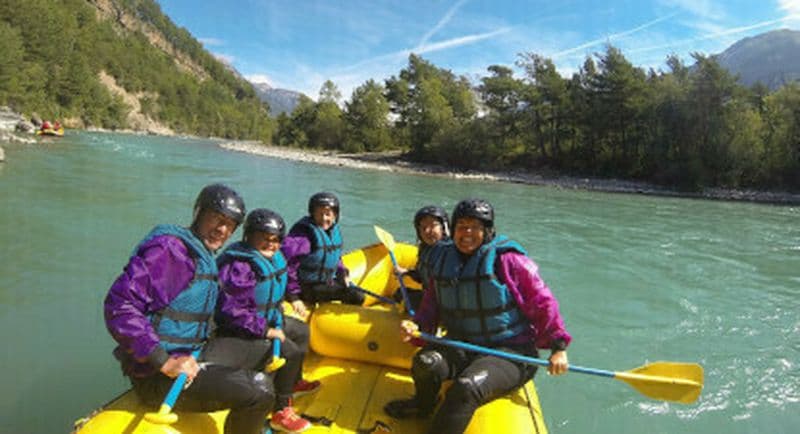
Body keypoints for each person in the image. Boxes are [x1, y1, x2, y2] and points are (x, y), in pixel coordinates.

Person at [384, 198, 572, 434]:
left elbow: (542, 301)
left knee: (467, 386)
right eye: (462, 226)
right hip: (463, 345)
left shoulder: (509, 260)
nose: (467, 233)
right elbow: (430, 308)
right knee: (425, 363)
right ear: (453, 230)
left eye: (475, 227)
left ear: (487, 230)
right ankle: (424, 406)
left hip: (510, 353)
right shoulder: (442, 261)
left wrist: (558, 346)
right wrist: (415, 326)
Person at [104, 184, 274, 434]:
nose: (222, 229)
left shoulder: (201, 254)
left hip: (193, 356)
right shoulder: (171, 251)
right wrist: (162, 361)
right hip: (160, 377)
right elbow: (120, 304)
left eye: (230, 224)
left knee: (265, 349)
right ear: (198, 213)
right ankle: (250, 407)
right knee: (260, 391)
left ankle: (254, 420)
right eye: (216, 218)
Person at [208, 208, 318, 433]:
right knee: (291, 351)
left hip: (266, 319)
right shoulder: (239, 265)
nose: (271, 244)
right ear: (249, 236)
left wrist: (292, 300)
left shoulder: (275, 257)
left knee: (301, 330)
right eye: (264, 238)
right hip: (238, 330)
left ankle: (292, 382)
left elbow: (293, 258)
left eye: (276, 239)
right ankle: (281, 411)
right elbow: (232, 311)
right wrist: (266, 331)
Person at [281, 192, 364, 317]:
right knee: (355, 296)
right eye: (319, 214)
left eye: (328, 214)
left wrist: (343, 273)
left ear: (335, 215)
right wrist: (294, 297)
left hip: (325, 282)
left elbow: (336, 258)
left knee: (357, 292)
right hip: (307, 287)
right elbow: (289, 266)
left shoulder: (332, 230)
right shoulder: (304, 235)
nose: (324, 218)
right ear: (312, 213)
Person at [393, 205, 451, 311]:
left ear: (444, 227)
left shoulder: (451, 251)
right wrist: (406, 272)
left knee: (406, 298)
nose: (427, 231)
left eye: (433, 226)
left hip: (444, 304)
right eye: (423, 228)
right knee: (400, 293)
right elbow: (423, 276)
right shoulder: (425, 248)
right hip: (430, 298)